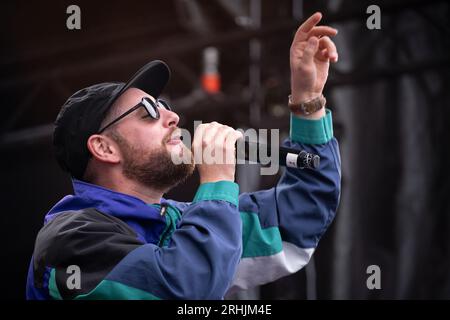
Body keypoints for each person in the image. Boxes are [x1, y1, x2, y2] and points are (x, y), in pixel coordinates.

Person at [26, 12, 341, 300]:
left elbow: (303, 211)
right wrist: (217, 181)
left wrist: (307, 99)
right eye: (148, 112)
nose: (172, 116)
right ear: (104, 148)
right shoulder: (71, 242)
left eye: (164, 104)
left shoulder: (180, 222)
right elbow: (185, 291)